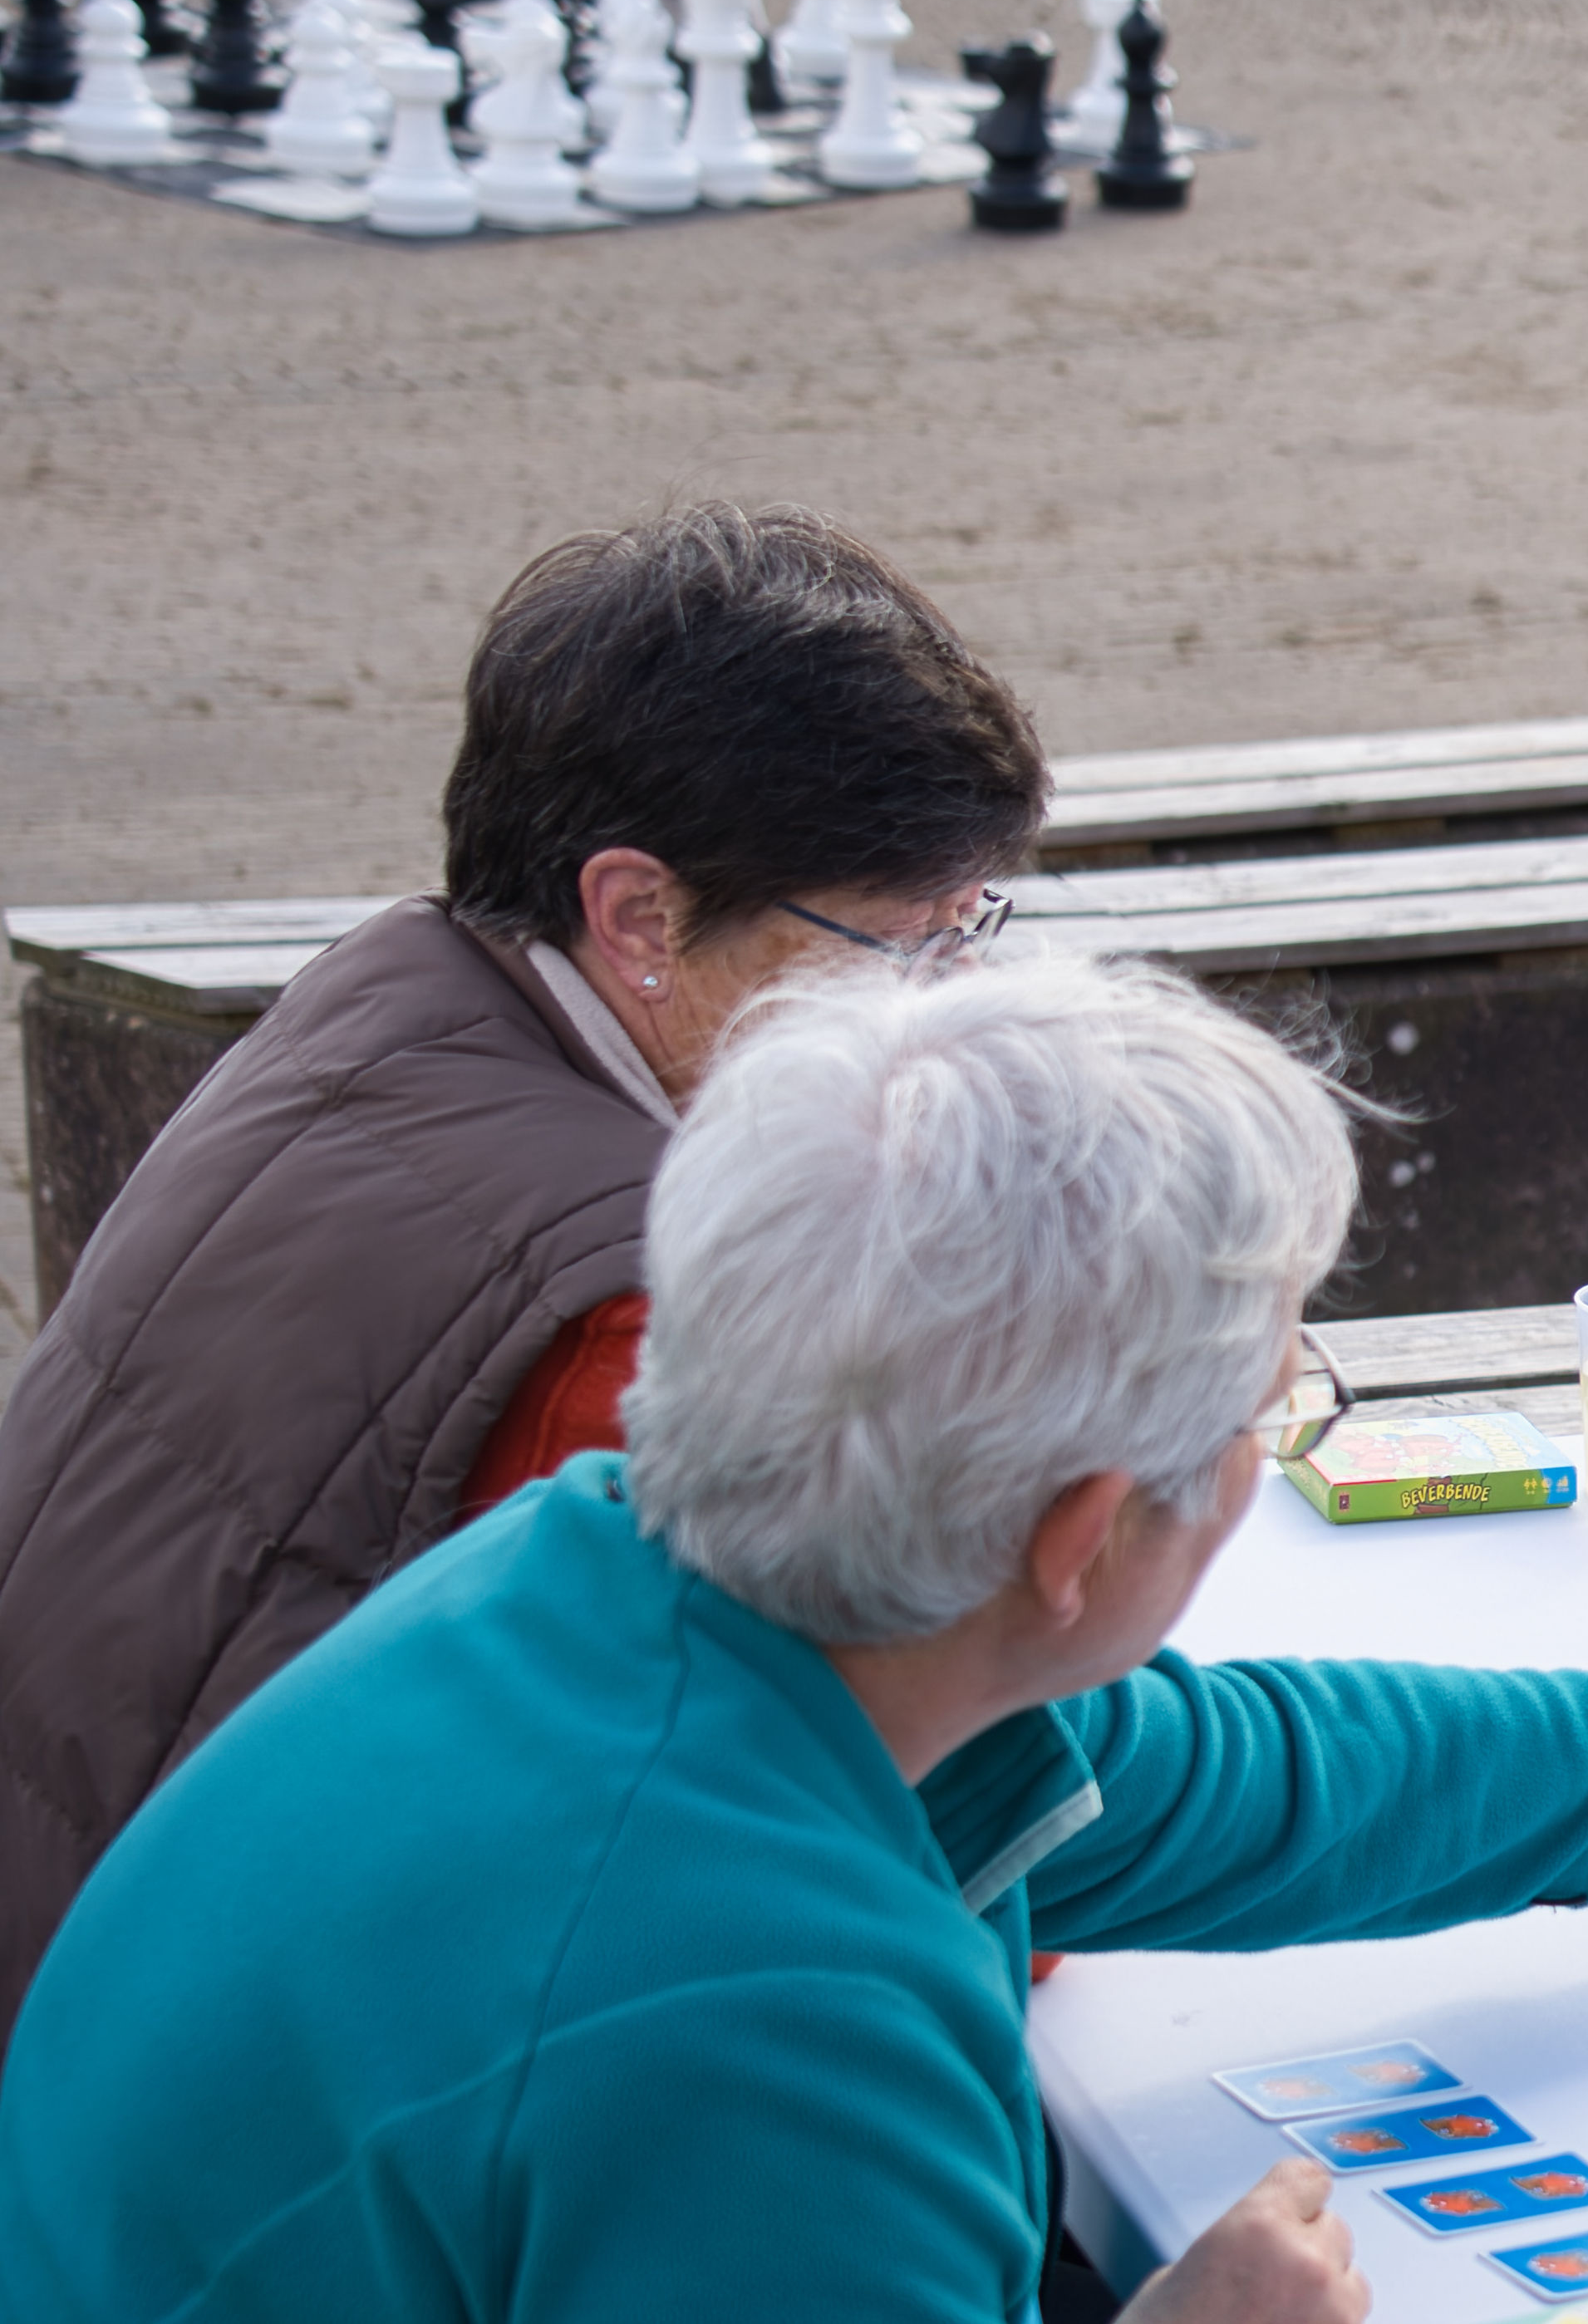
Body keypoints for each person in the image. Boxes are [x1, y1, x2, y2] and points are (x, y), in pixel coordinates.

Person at [0, 950, 1588, 2324]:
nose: (1269, 1429)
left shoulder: (612, 1565)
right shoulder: (776, 2015)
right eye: (1264, 1403)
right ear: (1073, 1533)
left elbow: (1213, 1771)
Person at [0, 504, 1046, 2037]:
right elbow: (789, 1854)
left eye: (975, 926)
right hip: (177, 2093)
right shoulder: (625, 1299)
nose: (948, 998)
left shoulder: (394, 991)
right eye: (903, 940)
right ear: (636, 913)